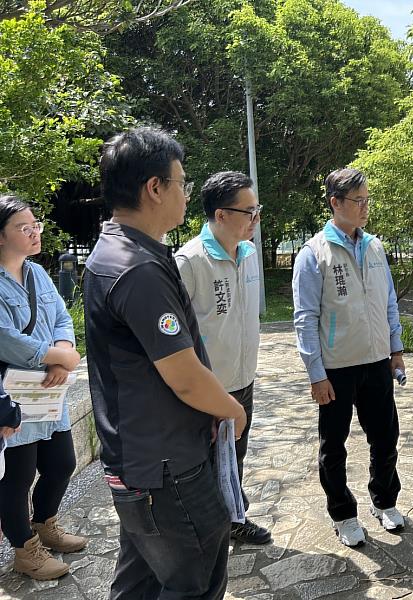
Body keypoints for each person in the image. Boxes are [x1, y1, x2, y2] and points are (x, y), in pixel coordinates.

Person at [84, 127, 246, 599]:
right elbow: (184, 377)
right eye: (181, 183)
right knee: (195, 580)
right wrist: (232, 410)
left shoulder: (119, 251)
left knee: (140, 582)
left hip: (142, 460)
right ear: (154, 188)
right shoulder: (137, 268)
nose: (186, 194)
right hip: (167, 467)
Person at [292, 167, 405, 547]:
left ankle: (384, 500)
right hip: (336, 368)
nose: (365, 207)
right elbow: (305, 317)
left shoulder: (374, 247)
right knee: (333, 446)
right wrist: (316, 373)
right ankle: (342, 513)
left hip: (376, 361)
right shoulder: (313, 253)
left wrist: (395, 350)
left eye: (367, 200)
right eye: (358, 201)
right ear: (335, 203)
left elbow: (389, 301)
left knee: (385, 437)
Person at [175, 171, 271, 545]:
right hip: (208, 387)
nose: (255, 219)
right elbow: (178, 336)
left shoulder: (248, 254)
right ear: (221, 214)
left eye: (257, 210)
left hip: (243, 377)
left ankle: (233, 520)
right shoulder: (190, 262)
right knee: (206, 462)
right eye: (249, 211)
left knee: (235, 457)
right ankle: (207, 534)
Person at [0, 195, 85, 580]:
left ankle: (45, 523)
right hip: (12, 395)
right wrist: (57, 357)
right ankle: (24, 549)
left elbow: (62, 317)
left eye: (36, 225)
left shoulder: (37, 274)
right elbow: (6, 338)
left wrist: (62, 352)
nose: (35, 232)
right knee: (16, 478)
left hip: (49, 391)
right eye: (24, 227)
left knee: (61, 463)